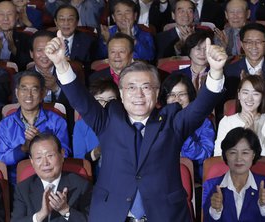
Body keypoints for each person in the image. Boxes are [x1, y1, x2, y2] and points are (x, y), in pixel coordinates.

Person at [44, 29, 227, 221]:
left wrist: (215, 71)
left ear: (157, 94)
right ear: (121, 94)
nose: (139, 95)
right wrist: (60, 63)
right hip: (113, 214)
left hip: (165, 215)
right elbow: (80, 99)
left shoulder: (172, 121)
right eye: (131, 88)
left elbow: (201, 107)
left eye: (146, 87)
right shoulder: (107, 120)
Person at [0, 71, 71, 185]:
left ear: (43, 94)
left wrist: (43, 143)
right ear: (17, 92)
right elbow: (0, 160)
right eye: (24, 89)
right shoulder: (5, 125)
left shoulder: (57, 121)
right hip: (17, 184)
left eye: (34, 89)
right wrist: (23, 149)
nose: (28, 95)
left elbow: (65, 154)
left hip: (50, 180)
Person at [203, 127, 265, 221]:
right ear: (225, 155)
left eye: (245, 153)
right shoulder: (210, 186)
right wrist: (215, 211)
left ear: (253, 155)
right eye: (233, 152)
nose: (239, 158)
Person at [11, 133, 92, 222]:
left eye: (50, 156)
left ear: (62, 155)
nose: (45, 163)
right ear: (32, 161)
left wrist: (65, 210)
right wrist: (40, 215)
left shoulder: (80, 185)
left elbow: (91, 220)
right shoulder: (23, 189)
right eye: (38, 158)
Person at [159, 73, 215, 182]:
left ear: (190, 96)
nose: (177, 99)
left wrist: (182, 134)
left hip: (192, 178)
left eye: (182, 94)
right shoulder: (157, 120)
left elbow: (205, 156)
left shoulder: (204, 122)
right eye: (171, 95)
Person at [214, 74, 265, 159]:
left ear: (262, 96)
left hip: (261, 170)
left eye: (255, 94)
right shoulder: (226, 122)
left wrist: (254, 136)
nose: (249, 98)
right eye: (245, 93)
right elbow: (218, 156)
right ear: (239, 94)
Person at [224, 22, 265, 101]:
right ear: (242, 44)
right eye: (249, 42)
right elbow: (227, 103)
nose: (254, 46)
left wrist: (262, 85)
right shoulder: (230, 70)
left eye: (258, 42)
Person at [73, 78, 120, 180]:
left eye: (111, 100)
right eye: (99, 100)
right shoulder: (81, 126)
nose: (105, 105)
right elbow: (80, 162)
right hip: (95, 177)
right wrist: (98, 151)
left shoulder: (124, 123)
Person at [0, 1, 32, 71]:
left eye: (10, 14)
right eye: (1, 14)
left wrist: (14, 49)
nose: (5, 18)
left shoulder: (26, 38)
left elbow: (29, 65)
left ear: (16, 17)